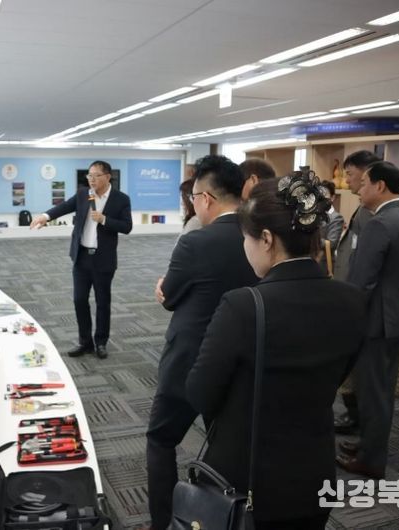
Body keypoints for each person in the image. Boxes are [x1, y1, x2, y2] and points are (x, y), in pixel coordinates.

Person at [186, 174, 367, 529]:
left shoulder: (243, 305)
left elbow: (199, 393)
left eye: (247, 238)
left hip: (247, 474)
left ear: (267, 239)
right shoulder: (354, 300)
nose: (245, 247)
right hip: (314, 470)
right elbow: (340, 373)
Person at [148, 155, 258, 530]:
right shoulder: (260, 237)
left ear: (206, 198)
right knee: (225, 445)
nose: (193, 203)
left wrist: (162, 288)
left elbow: (170, 297)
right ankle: (224, 520)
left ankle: (164, 523)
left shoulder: (195, 241)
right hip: (239, 362)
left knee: (161, 439)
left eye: (194, 197)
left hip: (189, 359)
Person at [336, 161, 399, 479]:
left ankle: (371, 460)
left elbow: (362, 281)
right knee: (380, 389)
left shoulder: (379, 223)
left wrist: (346, 318)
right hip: (395, 314)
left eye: (364, 184)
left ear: (380, 186)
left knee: (373, 393)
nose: (359, 189)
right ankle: (369, 446)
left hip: (375, 320)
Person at [30, 161, 132, 359]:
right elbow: (64, 207)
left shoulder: (121, 199)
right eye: (89, 175)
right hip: (82, 257)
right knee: (79, 300)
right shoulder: (84, 194)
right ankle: (85, 342)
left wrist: (104, 219)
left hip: (103, 259)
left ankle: (100, 342)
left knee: (103, 303)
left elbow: (127, 226)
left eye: (96, 176)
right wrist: (45, 216)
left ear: (108, 177)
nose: (92, 179)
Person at [333, 149, 381, 434]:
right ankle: (354, 417)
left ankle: (358, 421)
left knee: (360, 368)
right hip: (350, 295)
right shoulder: (364, 209)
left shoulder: (372, 214)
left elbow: (364, 263)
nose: (348, 181)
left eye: (350, 175)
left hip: (359, 302)